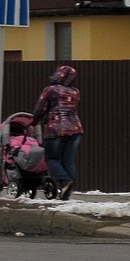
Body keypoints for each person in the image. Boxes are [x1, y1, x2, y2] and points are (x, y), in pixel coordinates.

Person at [31, 64, 83, 201]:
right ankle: (67, 192)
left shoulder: (50, 90)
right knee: (68, 161)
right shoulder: (75, 91)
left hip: (56, 130)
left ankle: (65, 182)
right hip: (76, 130)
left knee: (51, 159)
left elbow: (40, 109)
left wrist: (34, 122)